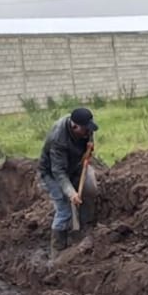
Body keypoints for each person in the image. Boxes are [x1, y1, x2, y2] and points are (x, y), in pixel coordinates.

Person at [38, 105, 98, 254]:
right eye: (85, 130)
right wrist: (71, 193)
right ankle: (57, 251)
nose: (88, 132)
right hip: (52, 173)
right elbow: (58, 172)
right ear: (75, 127)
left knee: (90, 188)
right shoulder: (58, 139)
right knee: (64, 209)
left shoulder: (84, 124)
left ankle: (83, 228)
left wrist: (90, 144)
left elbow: (90, 133)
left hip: (75, 165)